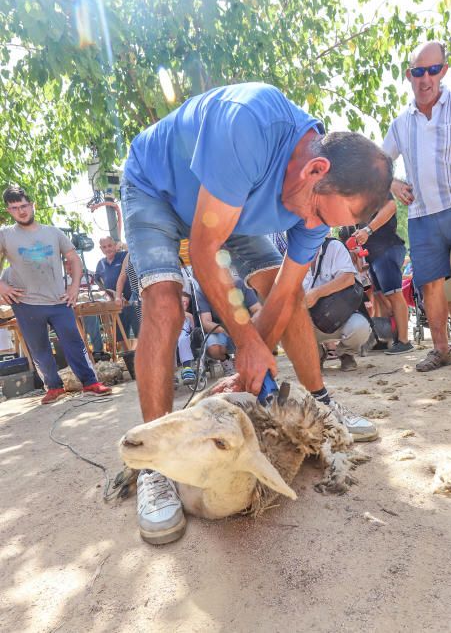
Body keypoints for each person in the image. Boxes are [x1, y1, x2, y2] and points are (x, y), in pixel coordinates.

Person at [121, 82, 393, 544]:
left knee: (280, 290)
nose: (314, 229)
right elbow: (205, 251)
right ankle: (154, 468)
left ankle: (320, 406)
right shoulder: (247, 124)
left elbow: (286, 294)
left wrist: (254, 359)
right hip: (157, 189)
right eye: (320, 215)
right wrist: (246, 344)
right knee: (163, 301)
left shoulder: (314, 203)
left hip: (237, 206)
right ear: (315, 169)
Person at [386, 41, 451, 371]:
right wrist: (391, 183)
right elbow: (379, 162)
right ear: (409, 75)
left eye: (433, 70)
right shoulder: (400, 123)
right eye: (419, 71)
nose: (426, 78)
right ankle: (440, 350)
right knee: (430, 284)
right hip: (421, 217)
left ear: (444, 70)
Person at [0, 186, 111, 404]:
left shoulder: (53, 233)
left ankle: (90, 382)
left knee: (74, 343)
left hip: (58, 300)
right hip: (26, 303)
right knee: (39, 349)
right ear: (8, 211)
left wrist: (74, 288)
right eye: (15, 208)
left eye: (24, 206)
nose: (21, 211)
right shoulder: (5, 235)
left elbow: (74, 259)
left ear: (32, 205)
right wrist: (2, 287)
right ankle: (53, 387)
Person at [303, 238, 372, 375]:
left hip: (341, 317)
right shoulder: (292, 254)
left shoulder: (334, 246)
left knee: (360, 327)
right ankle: (316, 354)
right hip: (309, 322)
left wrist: (317, 293)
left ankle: (345, 353)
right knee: (281, 327)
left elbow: (348, 278)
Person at [353, 198, 413, 354]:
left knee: (394, 295)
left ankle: (404, 341)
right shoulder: (358, 199)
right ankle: (387, 339)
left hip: (387, 248)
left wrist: (367, 230)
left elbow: (390, 206)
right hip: (374, 255)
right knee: (380, 298)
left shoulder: (376, 190)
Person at [194, 276, 262, 377]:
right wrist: (226, 330)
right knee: (214, 349)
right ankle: (226, 360)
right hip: (220, 329)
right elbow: (206, 322)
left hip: (243, 326)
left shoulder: (239, 283)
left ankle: (251, 358)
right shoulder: (202, 291)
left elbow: (258, 310)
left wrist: (248, 326)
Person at [95, 236, 140, 344]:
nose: (108, 249)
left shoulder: (123, 255)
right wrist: (106, 292)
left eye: (110, 245)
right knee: (120, 338)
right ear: (101, 249)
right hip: (116, 306)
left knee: (140, 334)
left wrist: (123, 245)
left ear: (115, 245)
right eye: (104, 247)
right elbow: (97, 280)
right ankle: (127, 361)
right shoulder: (100, 263)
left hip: (131, 302)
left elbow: (135, 251)